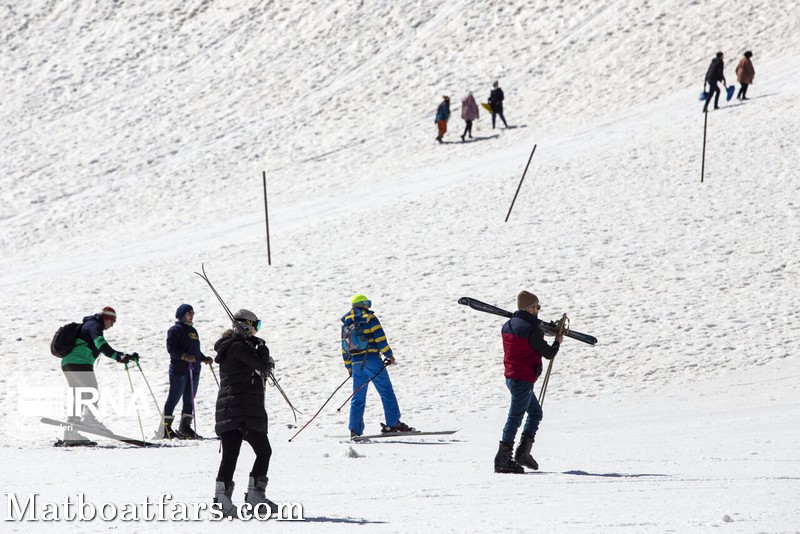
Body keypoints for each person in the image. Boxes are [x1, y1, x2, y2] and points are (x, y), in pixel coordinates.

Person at [212, 309, 276, 518]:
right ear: (245, 325)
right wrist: (263, 349)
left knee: (231, 456)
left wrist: (258, 351)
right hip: (241, 410)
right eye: (255, 326)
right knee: (263, 451)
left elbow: (256, 367)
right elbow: (260, 365)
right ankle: (252, 496)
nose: (256, 331)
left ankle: (223, 499)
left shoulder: (234, 347)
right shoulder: (238, 346)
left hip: (234, 409)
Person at [495, 291, 562, 474]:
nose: (538, 310)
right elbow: (549, 353)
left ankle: (522, 453)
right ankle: (503, 460)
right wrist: (557, 341)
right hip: (523, 379)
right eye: (537, 307)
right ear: (530, 308)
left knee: (535, 412)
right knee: (515, 418)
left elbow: (526, 342)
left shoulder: (507, 325)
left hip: (512, 377)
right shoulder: (532, 330)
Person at [59, 306, 138, 445]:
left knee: (78, 396)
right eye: (113, 320)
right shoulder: (94, 325)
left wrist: (124, 356)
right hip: (79, 362)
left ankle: (70, 432)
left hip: (68, 363)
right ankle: (89, 419)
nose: (113, 324)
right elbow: (100, 344)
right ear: (106, 318)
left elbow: (103, 347)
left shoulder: (89, 325)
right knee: (91, 390)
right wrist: (117, 357)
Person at [341, 294, 414, 438]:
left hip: (356, 364)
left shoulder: (346, 322)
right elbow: (380, 338)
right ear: (363, 304)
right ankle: (393, 424)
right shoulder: (369, 318)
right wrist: (389, 355)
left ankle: (355, 430)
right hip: (372, 360)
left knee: (358, 397)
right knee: (386, 391)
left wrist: (349, 367)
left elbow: (344, 347)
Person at [160, 303, 213, 440]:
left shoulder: (193, 331)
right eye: (188, 313)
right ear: (182, 315)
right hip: (180, 370)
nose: (191, 316)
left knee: (190, 399)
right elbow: (171, 349)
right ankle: (165, 428)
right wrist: (184, 356)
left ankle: (185, 428)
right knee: (174, 398)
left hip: (194, 370)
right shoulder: (175, 330)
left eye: (192, 313)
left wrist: (203, 358)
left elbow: (194, 350)